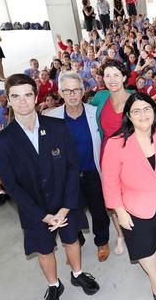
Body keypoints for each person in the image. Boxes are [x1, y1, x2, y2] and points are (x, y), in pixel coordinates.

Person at [0, 74, 100, 299]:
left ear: (36, 96)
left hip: (64, 202)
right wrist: (42, 215)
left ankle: (78, 273)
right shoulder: (2, 140)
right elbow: (10, 185)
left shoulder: (58, 127)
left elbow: (72, 166)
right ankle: (53, 285)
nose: (23, 101)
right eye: (16, 96)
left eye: (28, 95)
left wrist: (66, 207)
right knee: (44, 249)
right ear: (8, 100)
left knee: (72, 239)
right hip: (34, 208)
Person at [101, 92, 156, 300]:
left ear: (154, 111)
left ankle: (155, 266)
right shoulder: (116, 144)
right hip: (134, 207)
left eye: (147, 108)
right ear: (128, 116)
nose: (143, 114)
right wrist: (119, 211)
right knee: (142, 247)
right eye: (136, 111)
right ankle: (154, 280)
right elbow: (110, 182)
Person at [45, 71, 113, 262]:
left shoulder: (94, 113)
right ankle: (76, 242)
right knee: (71, 212)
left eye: (76, 90)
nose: (72, 94)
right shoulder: (51, 117)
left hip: (92, 171)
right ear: (60, 92)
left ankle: (102, 241)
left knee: (99, 210)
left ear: (83, 91)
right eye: (67, 91)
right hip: (67, 177)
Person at [89, 59, 131, 254]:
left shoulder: (135, 97)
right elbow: (87, 117)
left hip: (132, 156)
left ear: (124, 77)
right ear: (102, 78)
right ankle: (120, 235)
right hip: (108, 156)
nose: (112, 79)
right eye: (107, 75)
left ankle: (134, 231)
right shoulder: (100, 97)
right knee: (113, 199)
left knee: (132, 196)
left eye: (116, 75)